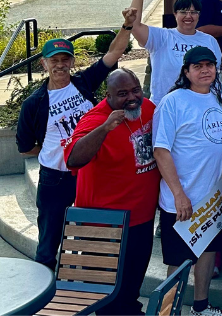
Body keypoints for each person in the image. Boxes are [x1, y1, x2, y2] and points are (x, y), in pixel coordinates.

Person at [16, 8, 135, 269]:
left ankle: (88, 285)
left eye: (65, 59)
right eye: (54, 60)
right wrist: (57, 151)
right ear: (43, 64)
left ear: (72, 62)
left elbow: (113, 54)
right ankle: (43, 295)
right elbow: (25, 147)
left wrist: (126, 27)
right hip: (55, 179)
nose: (60, 65)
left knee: (90, 234)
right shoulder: (34, 104)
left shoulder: (83, 83)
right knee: (49, 241)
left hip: (90, 174)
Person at [153, 46, 222, 316]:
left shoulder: (216, 97)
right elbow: (161, 150)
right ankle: (168, 313)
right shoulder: (173, 101)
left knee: (208, 252)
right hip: (183, 200)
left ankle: (201, 307)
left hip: (215, 196)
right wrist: (178, 194)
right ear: (186, 71)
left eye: (209, 65)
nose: (205, 70)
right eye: (198, 66)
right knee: (178, 262)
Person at [64, 68, 157, 315]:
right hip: (103, 225)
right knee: (104, 296)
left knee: (130, 289)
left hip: (141, 218)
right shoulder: (96, 119)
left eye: (135, 90)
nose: (131, 98)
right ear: (108, 95)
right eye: (122, 93)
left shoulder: (148, 108)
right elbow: (73, 159)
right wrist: (105, 129)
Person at [128, 0, 222, 105]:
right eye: (183, 12)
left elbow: (217, 75)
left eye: (194, 12)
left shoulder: (209, 41)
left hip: (199, 104)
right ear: (175, 14)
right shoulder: (161, 37)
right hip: (164, 105)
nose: (188, 16)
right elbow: (134, 25)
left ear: (199, 15)